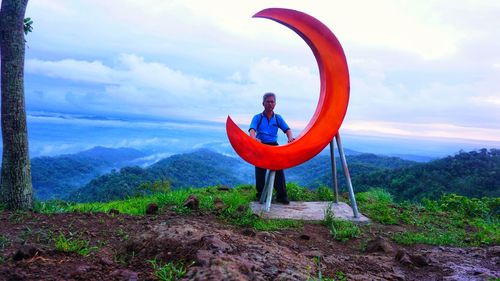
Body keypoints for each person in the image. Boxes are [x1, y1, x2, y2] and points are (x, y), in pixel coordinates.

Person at [248, 92, 295, 204]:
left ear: (275, 104)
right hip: (260, 145)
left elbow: (287, 130)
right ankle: (261, 196)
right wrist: (254, 139)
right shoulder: (257, 117)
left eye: (272, 101)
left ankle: (282, 196)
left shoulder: (278, 118)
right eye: (268, 101)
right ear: (263, 103)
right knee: (260, 171)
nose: (270, 104)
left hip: (274, 145)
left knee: (279, 170)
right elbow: (252, 130)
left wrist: (290, 138)